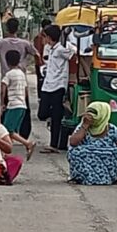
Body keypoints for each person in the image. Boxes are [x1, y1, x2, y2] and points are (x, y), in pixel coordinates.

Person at [38, 24, 76, 153]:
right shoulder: (51, 49)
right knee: (42, 113)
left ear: (49, 37)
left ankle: (53, 144)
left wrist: (69, 43)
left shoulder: (61, 49)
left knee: (56, 118)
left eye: (45, 37)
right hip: (47, 85)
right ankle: (59, 113)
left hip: (58, 85)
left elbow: (72, 53)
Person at [0, 49, 36, 154]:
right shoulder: (22, 74)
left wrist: (2, 104)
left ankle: (27, 143)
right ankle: (6, 152)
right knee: (12, 130)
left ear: (7, 61)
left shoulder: (8, 75)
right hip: (22, 105)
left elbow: (3, 90)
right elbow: (26, 90)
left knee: (7, 130)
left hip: (13, 105)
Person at [33, 18, 52, 92]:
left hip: (48, 62)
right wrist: (41, 63)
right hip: (41, 63)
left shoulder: (48, 36)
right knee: (41, 81)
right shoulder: (39, 37)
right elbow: (38, 51)